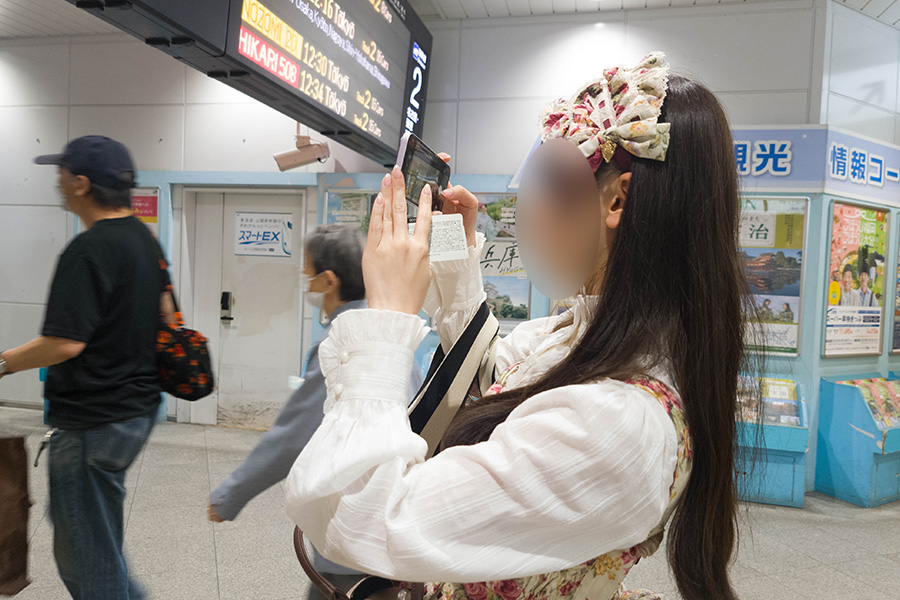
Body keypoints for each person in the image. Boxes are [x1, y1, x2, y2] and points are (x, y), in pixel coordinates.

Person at [284, 53, 754, 600]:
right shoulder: (590, 335)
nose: (526, 204)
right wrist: (452, 246)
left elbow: (360, 518)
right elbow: (490, 381)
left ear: (617, 200)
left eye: (552, 178)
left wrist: (386, 318)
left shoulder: (618, 421)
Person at [207, 223, 423, 600]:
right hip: (394, 520)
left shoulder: (340, 343)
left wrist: (231, 494)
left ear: (329, 280)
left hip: (353, 529)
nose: (304, 279)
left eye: (308, 270)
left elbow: (293, 435)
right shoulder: (386, 332)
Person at [0, 136, 172, 599]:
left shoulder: (88, 250)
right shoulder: (145, 239)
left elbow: (64, 343)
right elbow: (168, 315)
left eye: (61, 172)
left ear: (80, 183)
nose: (56, 179)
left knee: (88, 565)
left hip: (93, 421)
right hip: (135, 413)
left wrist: (3, 363)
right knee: (90, 538)